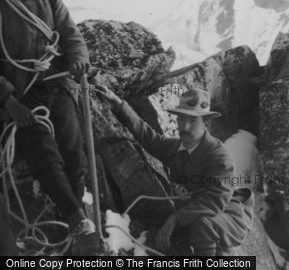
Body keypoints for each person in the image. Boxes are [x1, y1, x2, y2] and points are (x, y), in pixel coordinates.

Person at [0, 0, 94, 238]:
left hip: (55, 83)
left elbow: (70, 35)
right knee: (42, 148)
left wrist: (79, 58)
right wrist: (9, 102)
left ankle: (78, 212)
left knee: (72, 147)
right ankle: (75, 216)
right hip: (20, 92)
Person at [98, 85, 253, 255]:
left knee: (202, 224)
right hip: (193, 215)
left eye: (193, 120)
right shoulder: (176, 148)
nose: (185, 127)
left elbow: (216, 200)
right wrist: (119, 103)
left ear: (206, 123)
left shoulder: (219, 156)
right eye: (181, 119)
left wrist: (175, 218)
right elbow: (148, 136)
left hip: (226, 216)